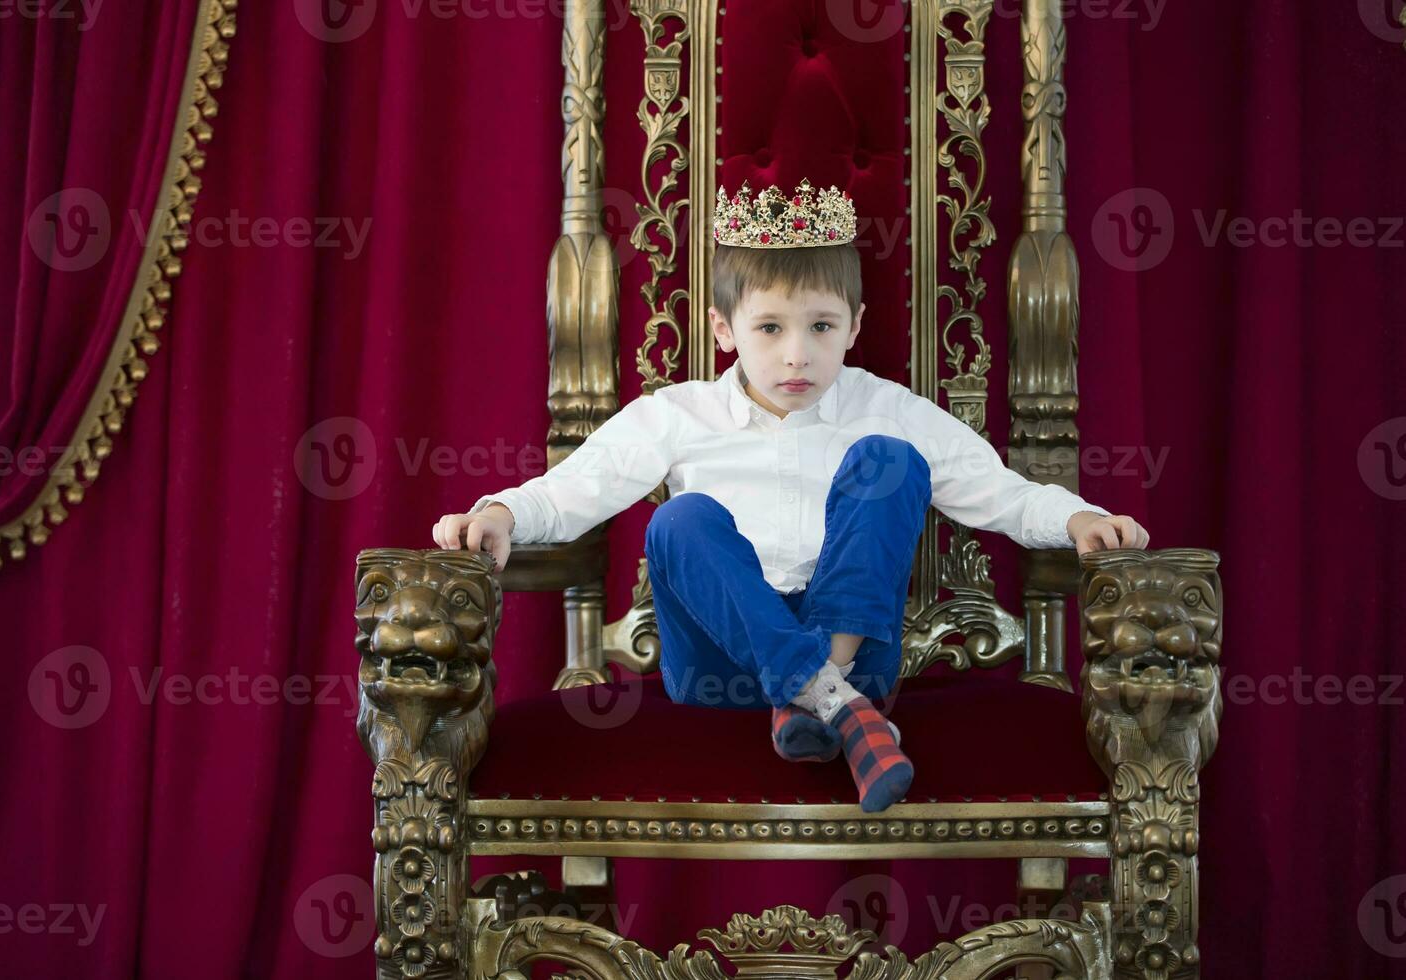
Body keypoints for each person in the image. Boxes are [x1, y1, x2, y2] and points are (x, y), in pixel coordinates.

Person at [432, 177, 1149, 813]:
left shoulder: (886, 406)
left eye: (821, 327)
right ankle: (837, 704)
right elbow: (572, 492)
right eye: (769, 329)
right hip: (718, 664)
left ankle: (818, 688)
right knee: (681, 519)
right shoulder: (679, 413)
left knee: (889, 460)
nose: (796, 354)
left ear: (855, 326)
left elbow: (999, 493)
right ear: (724, 329)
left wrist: (1076, 516)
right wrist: (501, 512)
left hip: (854, 642)